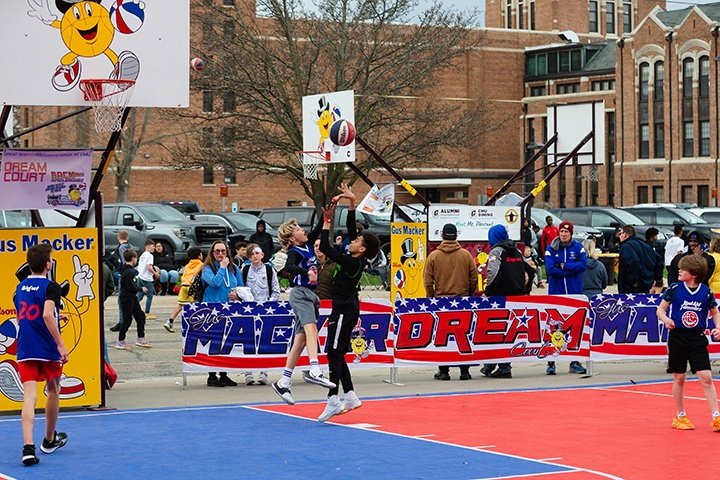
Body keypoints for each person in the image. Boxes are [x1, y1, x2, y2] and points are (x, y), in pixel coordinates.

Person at [317, 183, 381, 422]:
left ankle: (333, 399)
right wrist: (352, 203)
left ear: (361, 249)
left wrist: (326, 220)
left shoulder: (351, 262)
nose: (351, 240)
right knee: (336, 352)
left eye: (357, 240)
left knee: (333, 352)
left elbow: (324, 246)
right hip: (346, 309)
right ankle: (350, 395)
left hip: (344, 311)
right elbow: (351, 229)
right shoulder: (355, 256)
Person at [271, 215, 335, 405]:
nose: (303, 230)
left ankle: (284, 382)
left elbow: (317, 229)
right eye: (298, 229)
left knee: (300, 341)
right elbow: (289, 265)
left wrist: (327, 216)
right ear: (291, 238)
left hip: (310, 295)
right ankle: (315, 368)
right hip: (301, 294)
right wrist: (305, 272)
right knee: (311, 329)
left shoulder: (307, 246)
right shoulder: (294, 251)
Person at [15, 244, 69, 466]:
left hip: (26, 347)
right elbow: (47, 314)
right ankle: (49, 440)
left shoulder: (19, 288)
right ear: (48, 265)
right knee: (53, 389)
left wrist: (57, 319)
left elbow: (25, 317)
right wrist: (61, 344)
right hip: (47, 349)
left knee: (30, 396)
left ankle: (28, 448)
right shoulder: (51, 287)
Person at [656, 255, 720, 432]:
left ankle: (716, 416)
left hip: (697, 337)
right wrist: (666, 319)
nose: (679, 270)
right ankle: (680, 414)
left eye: (682, 269)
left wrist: (718, 327)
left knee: (706, 377)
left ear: (693, 273)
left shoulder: (705, 292)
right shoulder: (675, 289)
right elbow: (660, 309)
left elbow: (715, 312)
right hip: (677, 337)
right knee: (679, 377)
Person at [423, 223, 478, 381]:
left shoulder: (433, 256)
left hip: (441, 301)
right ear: (456, 236)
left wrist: (432, 297)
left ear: (442, 236)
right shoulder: (466, 255)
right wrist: (469, 293)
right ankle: (464, 371)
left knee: (442, 337)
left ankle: (444, 371)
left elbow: (427, 281)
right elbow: (473, 278)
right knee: (463, 335)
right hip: (462, 300)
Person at [481, 225, 534, 379]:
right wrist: (526, 290)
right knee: (508, 332)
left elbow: (493, 273)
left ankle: (503, 368)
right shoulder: (517, 251)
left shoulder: (496, 252)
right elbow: (530, 271)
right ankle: (491, 365)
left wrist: (488, 292)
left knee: (497, 333)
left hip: (499, 298)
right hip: (516, 298)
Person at [544, 220, 587, 375]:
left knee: (574, 328)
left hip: (574, 294)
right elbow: (550, 270)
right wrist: (570, 271)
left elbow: (582, 265)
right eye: (561, 231)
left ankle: (574, 361)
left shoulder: (578, 248)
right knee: (555, 328)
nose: (563, 234)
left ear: (571, 234)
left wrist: (564, 266)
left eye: (566, 232)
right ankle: (551, 362)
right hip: (557, 294)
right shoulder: (551, 248)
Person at [203, 240, 244, 387]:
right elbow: (215, 283)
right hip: (212, 310)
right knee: (214, 343)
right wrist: (221, 268)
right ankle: (212, 376)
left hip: (230, 310)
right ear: (212, 253)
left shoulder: (234, 268)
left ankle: (224, 374)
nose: (220, 254)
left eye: (223, 251)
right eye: (217, 251)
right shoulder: (208, 268)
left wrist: (238, 296)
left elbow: (241, 287)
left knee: (227, 343)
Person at [240, 243, 280, 386]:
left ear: (262, 255)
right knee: (248, 341)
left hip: (265, 311)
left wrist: (269, 304)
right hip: (248, 310)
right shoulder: (244, 270)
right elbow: (240, 289)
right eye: (252, 254)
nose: (255, 256)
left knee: (264, 341)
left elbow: (276, 291)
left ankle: (264, 371)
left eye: (257, 253)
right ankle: (248, 372)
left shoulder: (269, 270)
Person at [116, 249, 152, 350]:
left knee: (140, 316)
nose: (137, 260)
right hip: (126, 297)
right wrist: (141, 288)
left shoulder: (129, 270)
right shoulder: (128, 272)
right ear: (133, 258)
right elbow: (130, 287)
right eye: (136, 258)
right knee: (127, 319)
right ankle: (120, 340)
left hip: (132, 297)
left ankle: (141, 338)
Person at [164, 246, 204, 333]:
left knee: (180, 305)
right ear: (199, 255)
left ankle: (170, 321)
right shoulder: (201, 265)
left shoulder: (187, 265)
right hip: (193, 287)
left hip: (183, 286)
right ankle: (195, 324)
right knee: (195, 306)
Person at [617, 225, 664, 294]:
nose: (619, 236)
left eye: (620, 234)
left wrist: (634, 281)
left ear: (625, 235)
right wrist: (658, 277)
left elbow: (633, 262)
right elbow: (659, 260)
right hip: (648, 284)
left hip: (632, 288)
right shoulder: (645, 245)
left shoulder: (626, 246)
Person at [109, 230, 134, 332]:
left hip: (123, 273)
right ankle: (125, 320)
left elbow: (124, 261)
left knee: (121, 299)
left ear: (118, 238)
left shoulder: (121, 248)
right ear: (127, 238)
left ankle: (122, 322)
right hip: (131, 273)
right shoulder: (130, 247)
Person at [135, 239, 159, 320]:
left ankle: (131, 309)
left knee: (140, 295)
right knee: (149, 296)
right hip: (147, 278)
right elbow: (148, 267)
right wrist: (155, 273)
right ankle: (147, 312)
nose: (154, 248)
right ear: (148, 246)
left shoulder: (142, 255)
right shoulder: (150, 255)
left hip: (140, 276)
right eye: (153, 246)